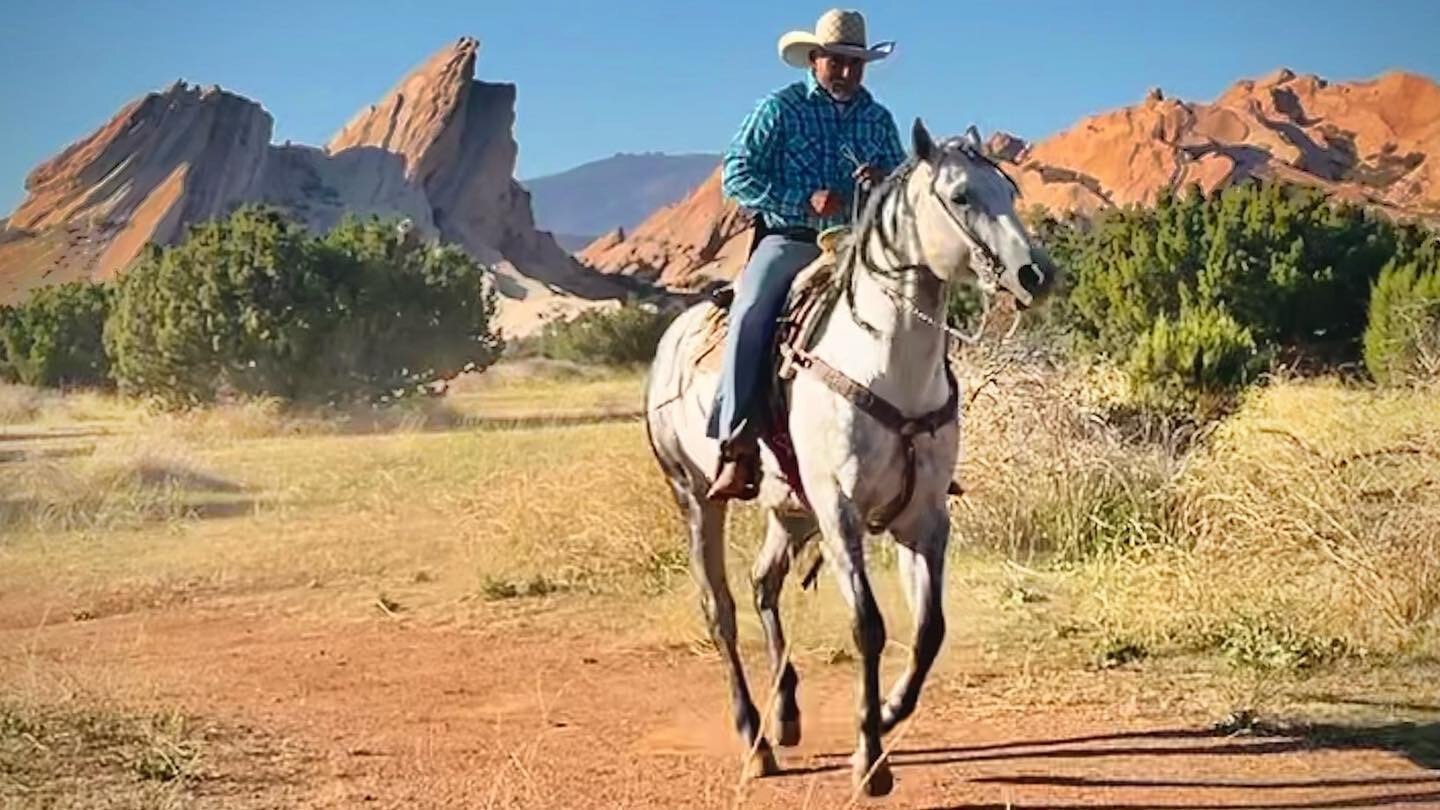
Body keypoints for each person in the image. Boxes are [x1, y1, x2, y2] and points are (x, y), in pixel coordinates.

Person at [706, 8, 907, 501]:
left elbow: (905, 178)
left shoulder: (878, 119)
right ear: (814, 59)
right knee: (752, 312)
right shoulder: (780, 109)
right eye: (836, 61)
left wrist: (886, 181)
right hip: (791, 240)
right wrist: (803, 199)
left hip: (863, 244)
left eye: (855, 64)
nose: (845, 72)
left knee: (917, 310)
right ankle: (738, 446)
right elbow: (737, 173)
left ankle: (922, 446)